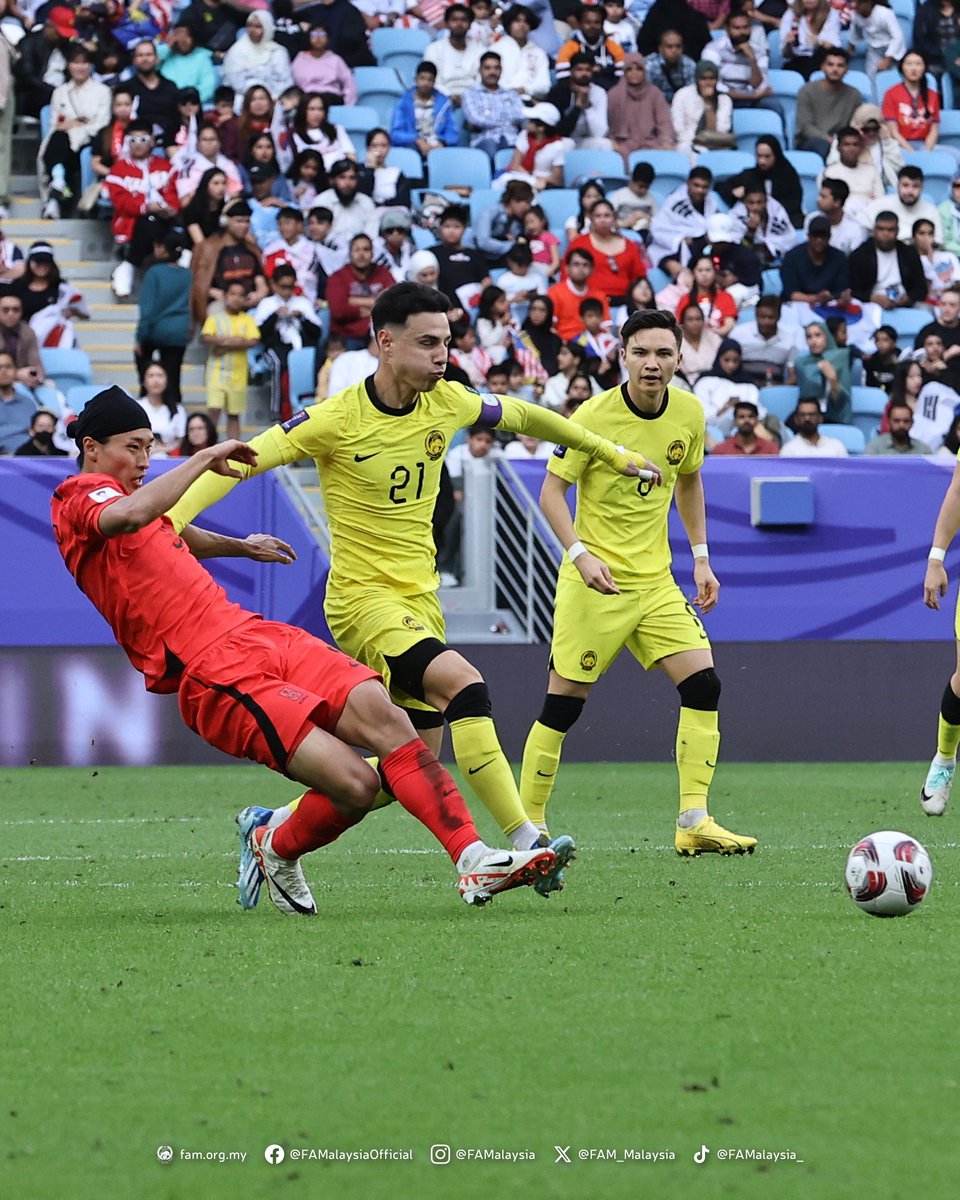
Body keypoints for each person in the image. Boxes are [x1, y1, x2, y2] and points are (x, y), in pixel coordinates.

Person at [169, 282, 663, 895]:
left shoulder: (447, 401)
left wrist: (609, 452)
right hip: (363, 603)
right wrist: (170, 518)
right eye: (428, 343)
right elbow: (239, 460)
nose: (442, 355)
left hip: (421, 603)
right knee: (465, 684)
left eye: (447, 342)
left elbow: (523, 415)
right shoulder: (333, 419)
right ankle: (525, 840)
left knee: (400, 769)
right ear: (385, 342)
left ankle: (271, 833)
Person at [52, 386, 556, 912]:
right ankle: (273, 845)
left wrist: (240, 546)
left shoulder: (131, 500)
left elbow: (166, 530)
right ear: (92, 447)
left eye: (150, 447)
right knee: (356, 787)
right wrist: (201, 458)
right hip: (214, 675)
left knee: (389, 720)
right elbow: (131, 518)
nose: (143, 460)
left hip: (254, 633)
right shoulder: (77, 499)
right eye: (133, 447)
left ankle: (474, 859)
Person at [517, 307, 756, 857]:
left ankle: (693, 820)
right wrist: (580, 556)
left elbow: (689, 481)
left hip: (655, 583)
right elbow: (551, 493)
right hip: (594, 582)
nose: (652, 363)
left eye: (663, 353)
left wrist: (701, 558)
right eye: (641, 352)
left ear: (679, 359)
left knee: (703, 684)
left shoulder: (689, 412)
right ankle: (528, 827)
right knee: (563, 705)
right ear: (622, 356)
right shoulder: (592, 415)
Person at [40, 44, 111, 221]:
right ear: (68, 65)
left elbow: (101, 122)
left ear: (90, 66)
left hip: (90, 140)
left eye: (84, 63)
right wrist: (77, 123)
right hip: (64, 140)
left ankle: (56, 193)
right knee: (58, 139)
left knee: (62, 143)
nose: (80, 67)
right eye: (75, 62)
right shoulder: (60, 92)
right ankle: (58, 186)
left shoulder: (103, 91)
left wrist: (74, 127)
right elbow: (56, 123)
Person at [135, 231, 192, 404]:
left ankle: (146, 405)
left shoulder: (154, 273)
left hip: (156, 329)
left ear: (163, 249)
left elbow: (147, 310)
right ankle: (175, 411)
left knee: (147, 373)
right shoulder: (187, 274)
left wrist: (140, 337)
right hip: (179, 331)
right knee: (173, 377)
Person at [201, 279, 261, 441]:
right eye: (232, 294)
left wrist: (223, 346)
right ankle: (208, 445)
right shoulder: (215, 318)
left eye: (240, 295)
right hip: (216, 372)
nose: (236, 298)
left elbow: (253, 340)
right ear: (225, 296)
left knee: (234, 414)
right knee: (214, 410)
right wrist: (234, 341)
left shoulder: (247, 319)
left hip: (238, 375)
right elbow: (207, 337)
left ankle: (234, 448)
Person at [326, 233, 396, 349]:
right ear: (350, 254)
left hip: (379, 334)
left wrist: (354, 301)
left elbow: (394, 304)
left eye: (366, 249)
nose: (361, 254)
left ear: (372, 253)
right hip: (347, 336)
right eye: (356, 250)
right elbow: (338, 311)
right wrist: (371, 307)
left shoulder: (383, 273)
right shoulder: (338, 277)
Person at [849, 211, 927, 311]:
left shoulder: (909, 253)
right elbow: (852, 291)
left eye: (890, 230)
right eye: (881, 229)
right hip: (871, 306)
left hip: (905, 304)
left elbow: (921, 288)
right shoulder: (860, 255)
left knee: (925, 309)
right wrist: (871, 297)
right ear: (874, 230)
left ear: (897, 231)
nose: (885, 234)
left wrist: (908, 297)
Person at [648, 168, 720, 276]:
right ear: (688, 183)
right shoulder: (674, 202)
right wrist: (680, 238)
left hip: (704, 246)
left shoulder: (712, 203)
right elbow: (658, 229)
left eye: (704, 187)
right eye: (696, 185)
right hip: (673, 249)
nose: (700, 190)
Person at [606, 53, 674, 165]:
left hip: (651, 143)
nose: (634, 73)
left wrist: (665, 142)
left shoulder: (655, 93)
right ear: (624, 72)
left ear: (645, 71)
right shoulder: (614, 95)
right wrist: (614, 142)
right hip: (622, 144)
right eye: (629, 69)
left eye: (639, 69)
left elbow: (664, 122)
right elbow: (609, 125)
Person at [794, 47, 863, 158]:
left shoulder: (854, 95)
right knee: (823, 146)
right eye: (830, 65)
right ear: (823, 67)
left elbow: (855, 125)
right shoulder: (807, 90)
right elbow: (805, 126)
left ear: (846, 70)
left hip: (842, 142)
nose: (835, 69)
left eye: (840, 65)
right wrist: (828, 139)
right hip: (811, 141)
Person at [461, 51, 527, 160]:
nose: (492, 72)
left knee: (525, 149)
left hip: (512, 139)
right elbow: (475, 119)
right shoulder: (471, 94)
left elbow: (522, 115)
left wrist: (490, 118)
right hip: (485, 140)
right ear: (480, 70)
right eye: (487, 68)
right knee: (491, 147)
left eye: (496, 68)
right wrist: (508, 121)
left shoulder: (511, 94)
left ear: (501, 70)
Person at [389, 61, 458, 160]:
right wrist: (417, 139)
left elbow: (453, 134)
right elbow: (396, 134)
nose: (426, 83)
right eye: (422, 78)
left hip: (437, 145)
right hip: (413, 145)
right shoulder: (403, 102)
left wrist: (442, 143)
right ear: (415, 80)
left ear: (434, 82)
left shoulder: (444, 103)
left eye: (430, 80)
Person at [779, 215, 850, 306]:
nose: (819, 240)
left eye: (823, 236)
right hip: (798, 305)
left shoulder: (839, 258)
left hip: (830, 305)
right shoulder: (792, 257)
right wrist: (816, 298)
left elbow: (842, 291)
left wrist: (834, 297)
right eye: (815, 236)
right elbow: (791, 294)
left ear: (829, 237)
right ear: (808, 236)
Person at [671, 60, 734, 160]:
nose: (708, 83)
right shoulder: (682, 95)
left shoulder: (724, 99)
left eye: (712, 78)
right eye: (704, 79)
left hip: (716, 145)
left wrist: (708, 103)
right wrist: (694, 140)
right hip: (688, 143)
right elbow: (678, 128)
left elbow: (718, 132)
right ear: (697, 79)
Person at [422, 4, 483, 104]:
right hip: (442, 99)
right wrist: (450, 96)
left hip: (475, 100)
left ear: (470, 25)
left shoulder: (480, 50)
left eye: (463, 20)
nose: (459, 24)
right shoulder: (434, 49)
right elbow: (432, 80)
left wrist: (469, 97)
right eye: (454, 20)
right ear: (446, 24)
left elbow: (481, 80)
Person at [883, 50, 940, 154]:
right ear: (902, 68)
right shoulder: (891, 94)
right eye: (909, 64)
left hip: (925, 145)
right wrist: (912, 153)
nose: (913, 68)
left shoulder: (933, 95)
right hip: (900, 145)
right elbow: (893, 132)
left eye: (918, 64)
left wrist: (927, 152)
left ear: (924, 68)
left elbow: (934, 129)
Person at [548, 247, 611, 341]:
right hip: (564, 343)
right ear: (567, 268)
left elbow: (606, 328)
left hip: (593, 344)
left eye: (585, 265)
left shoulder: (599, 295)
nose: (581, 268)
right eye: (576, 264)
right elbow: (550, 327)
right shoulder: (554, 292)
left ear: (592, 270)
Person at [794, 320, 851, 423]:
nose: (813, 341)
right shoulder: (801, 363)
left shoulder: (840, 358)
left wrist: (833, 379)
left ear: (827, 336)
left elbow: (843, 399)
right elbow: (805, 394)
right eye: (809, 337)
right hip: (807, 413)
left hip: (835, 414)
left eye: (818, 335)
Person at [732, 295, 797, 383]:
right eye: (762, 317)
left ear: (779, 317)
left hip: (774, 388)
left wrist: (781, 389)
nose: (766, 322)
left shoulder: (789, 340)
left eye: (771, 317)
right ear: (756, 315)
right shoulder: (738, 334)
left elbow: (792, 376)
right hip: (743, 386)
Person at [290, 25, 357, 107]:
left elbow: (349, 84)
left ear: (328, 39)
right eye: (314, 34)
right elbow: (292, 83)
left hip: (331, 98)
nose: (318, 38)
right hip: (307, 99)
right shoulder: (300, 59)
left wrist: (347, 107)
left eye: (322, 34)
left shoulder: (336, 60)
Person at [780, 0, 843, 80]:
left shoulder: (832, 14)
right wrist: (788, 44)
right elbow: (786, 54)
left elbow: (835, 49)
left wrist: (819, 42)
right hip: (798, 60)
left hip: (823, 60)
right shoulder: (790, 14)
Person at [137, 362, 187, 458]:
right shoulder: (136, 407)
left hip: (168, 459)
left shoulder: (178, 410)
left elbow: (179, 440)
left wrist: (162, 450)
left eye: (160, 376)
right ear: (143, 381)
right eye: (151, 376)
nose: (156, 380)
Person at [0, 348, 39, 452]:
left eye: (8, 367)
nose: (3, 371)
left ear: (16, 371)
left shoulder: (28, 403)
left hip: (27, 456)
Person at [779, 397, 849, 456]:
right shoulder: (788, 451)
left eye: (812, 414)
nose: (807, 419)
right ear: (796, 419)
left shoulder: (836, 446)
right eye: (802, 415)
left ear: (820, 418)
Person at [0, 292, 43, 387]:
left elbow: (37, 366)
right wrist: (16, 374)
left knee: (49, 386)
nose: (11, 314)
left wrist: (33, 375)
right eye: (5, 310)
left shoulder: (28, 332)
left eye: (15, 310)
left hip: (22, 382)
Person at [644, 28, 697, 102]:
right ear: (660, 49)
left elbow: (693, 93)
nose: (674, 50)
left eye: (678, 46)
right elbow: (646, 94)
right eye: (669, 47)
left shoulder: (689, 64)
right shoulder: (649, 65)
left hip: (683, 104)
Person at [711, 400, 780, 454]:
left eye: (751, 416)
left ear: (757, 421)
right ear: (734, 422)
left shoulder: (770, 449)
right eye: (741, 417)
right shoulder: (721, 451)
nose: (746, 420)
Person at [864, 400, 932, 454]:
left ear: (912, 423)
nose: (901, 425)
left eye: (906, 421)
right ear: (888, 423)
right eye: (896, 421)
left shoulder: (923, 451)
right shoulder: (875, 448)